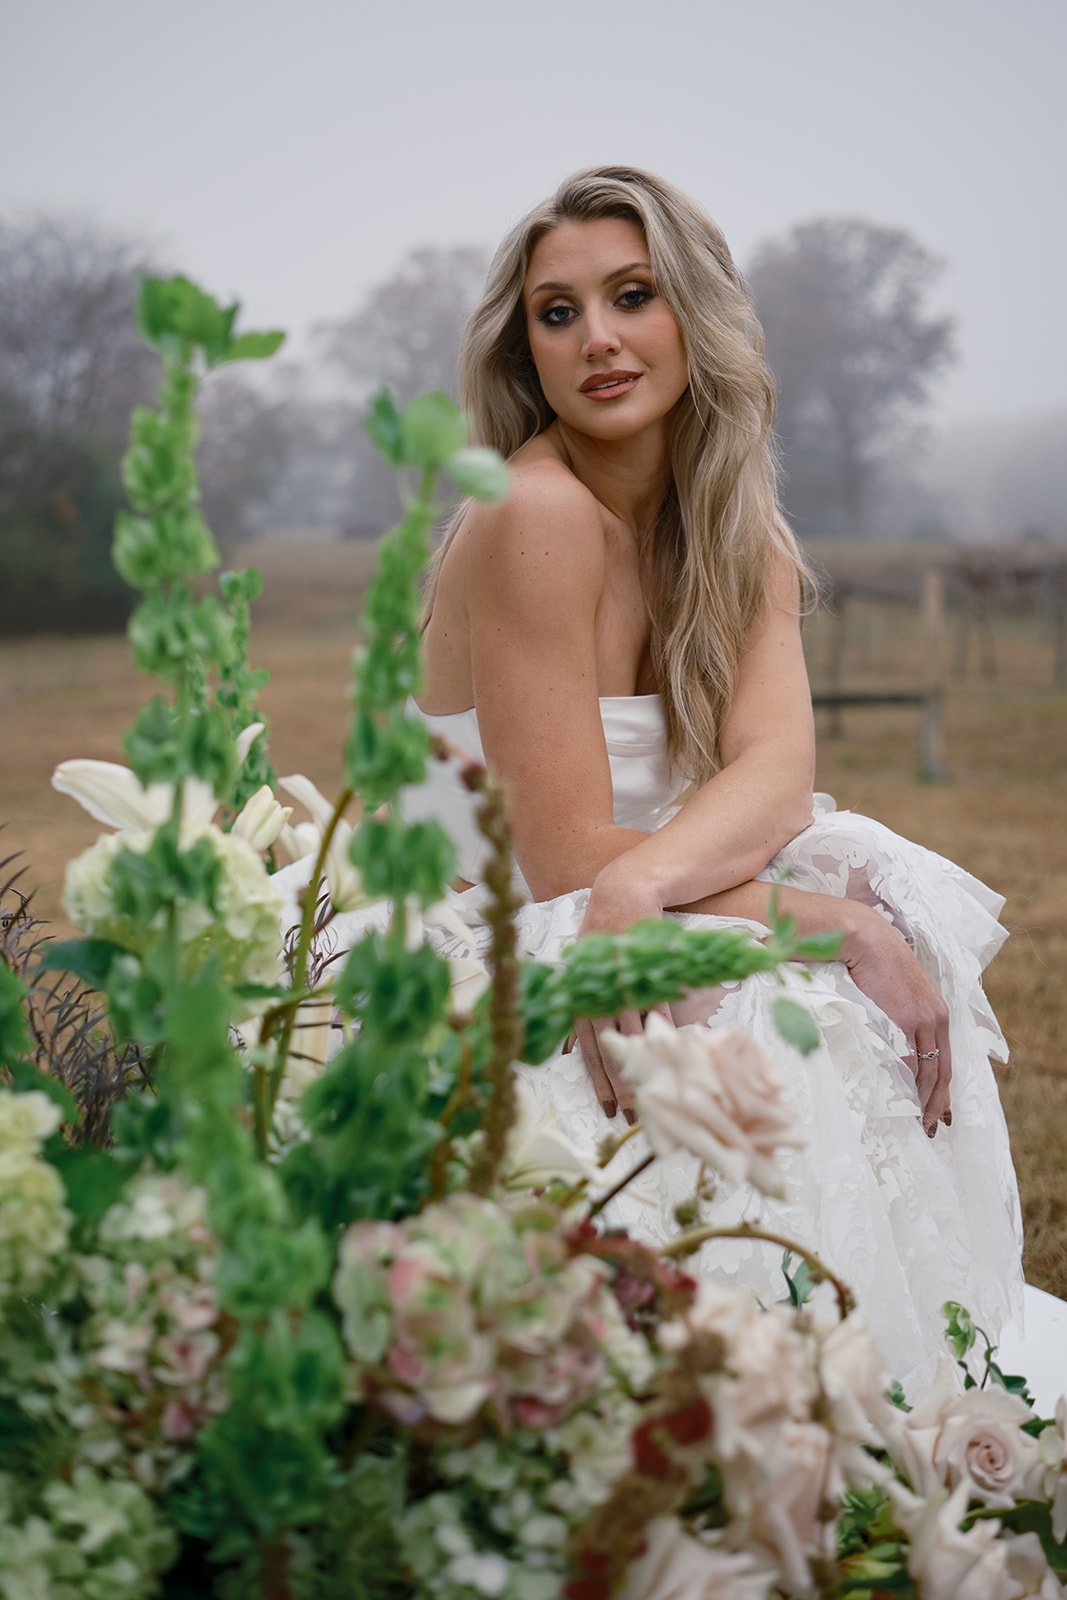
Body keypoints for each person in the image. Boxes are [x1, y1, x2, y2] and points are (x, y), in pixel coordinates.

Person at [397, 166, 1022, 1396]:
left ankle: (859, 1384)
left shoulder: (738, 530)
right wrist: (817, 924)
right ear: (524, 347)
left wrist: (729, 902)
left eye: (632, 295)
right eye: (557, 312)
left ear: (695, 309)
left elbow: (776, 777)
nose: (598, 339)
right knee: (765, 1008)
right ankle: (723, 1396)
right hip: (496, 919)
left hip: (630, 876)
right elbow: (566, 861)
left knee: (880, 942)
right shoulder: (531, 513)